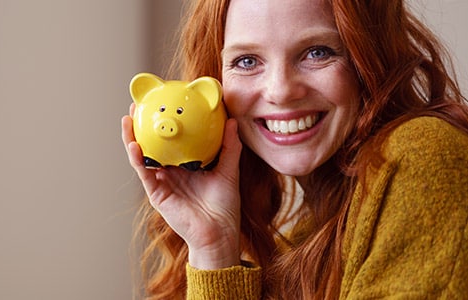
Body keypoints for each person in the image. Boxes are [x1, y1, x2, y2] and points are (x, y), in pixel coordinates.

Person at [120, 0, 468, 299]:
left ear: (368, 58)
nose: (281, 90)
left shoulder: (423, 157)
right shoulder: (308, 229)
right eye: (246, 61)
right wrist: (213, 247)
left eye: (318, 52)